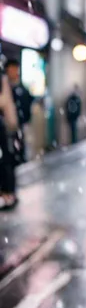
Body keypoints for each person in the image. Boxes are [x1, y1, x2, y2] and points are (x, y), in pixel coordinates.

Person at [5, 58, 34, 165]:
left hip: (20, 126)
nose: (14, 72)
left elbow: (28, 105)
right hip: (7, 128)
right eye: (11, 69)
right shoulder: (5, 88)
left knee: (20, 151)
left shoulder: (22, 89)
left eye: (16, 69)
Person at [0, 70, 19, 210]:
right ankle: (8, 194)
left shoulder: (2, 79)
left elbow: (4, 102)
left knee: (6, 160)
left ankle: (8, 194)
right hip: (5, 125)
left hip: (4, 126)